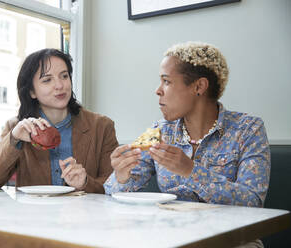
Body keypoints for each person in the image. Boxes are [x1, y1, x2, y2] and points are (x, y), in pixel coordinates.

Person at [104, 42, 270, 209]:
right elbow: (112, 192)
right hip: (173, 231)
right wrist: (121, 175)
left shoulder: (248, 129)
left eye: (166, 81)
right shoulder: (161, 131)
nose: (158, 90)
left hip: (232, 234)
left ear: (199, 86)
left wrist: (190, 170)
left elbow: (253, 201)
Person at [0, 48, 118, 193]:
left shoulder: (101, 126)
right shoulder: (16, 128)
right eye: (47, 80)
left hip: (84, 214)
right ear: (31, 91)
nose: (59, 85)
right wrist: (14, 138)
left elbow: (113, 187)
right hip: (34, 214)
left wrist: (85, 183)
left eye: (64, 76)